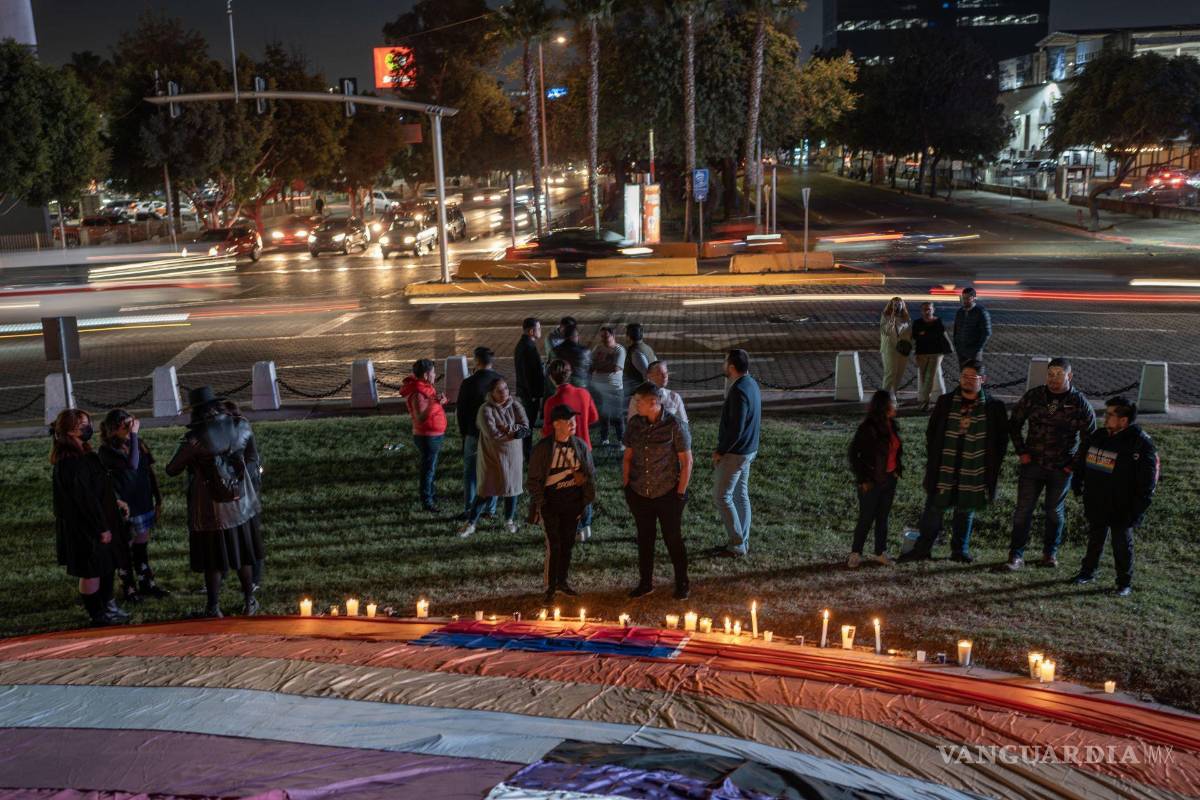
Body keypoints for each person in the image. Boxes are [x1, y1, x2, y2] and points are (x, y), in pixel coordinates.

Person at [166, 386, 264, 617]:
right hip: (241, 503)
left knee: (213, 560)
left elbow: (172, 469)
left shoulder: (194, 438)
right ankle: (249, 601)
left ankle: (213, 606)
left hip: (210, 508)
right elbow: (252, 458)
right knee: (244, 555)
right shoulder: (241, 425)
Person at [898, 361, 1008, 564]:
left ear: (982, 380)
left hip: (973, 468)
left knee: (965, 510)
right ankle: (922, 549)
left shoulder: (994, 408)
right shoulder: (946, 402)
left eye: (971, 377)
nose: (966, 380)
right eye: (963, 375)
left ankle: (960, 550)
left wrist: (989, 466)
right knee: (933, 509)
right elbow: (932, 432)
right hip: (945, 466)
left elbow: (1000, 441)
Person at [1000, 358, 1097, 571]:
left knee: (1054, 511)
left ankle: (1049, 555)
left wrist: (1073, 464)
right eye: (1050, 374)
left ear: (1069, 376)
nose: (1053, 379)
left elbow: (1090, 437)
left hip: (1061, 468)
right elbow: (1014, 423)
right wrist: (1021, 451)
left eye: (1059, 374)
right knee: (1023, 510)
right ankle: (1016, 556)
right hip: (1032, 464)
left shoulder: (1079, 403)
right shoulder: (1034, 396)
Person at [1069, 397, 1158, 597]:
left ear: (1124, 420)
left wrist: (1137, 510)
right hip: (1097, 500)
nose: (1105, 417)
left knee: (1121, 544)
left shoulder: (1141, 444)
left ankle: (1123, 583)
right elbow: (1083, 458)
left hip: (1123, 505)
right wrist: (1078, 480)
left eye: (1110, 414)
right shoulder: (1099, 436)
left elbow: (1148, 483)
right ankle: (1087, 572)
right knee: (1095, 539)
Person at [51, 409, 128, 627]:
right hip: (86, 528)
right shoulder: (70, 463)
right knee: (91, 571)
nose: (88, 428)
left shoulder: (85, 454)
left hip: (100, 520)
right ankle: (97, 614)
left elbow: (98, 488)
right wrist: (101, 528)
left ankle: (108, 607)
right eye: (83, 424)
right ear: (71, 430)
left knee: (106, 566)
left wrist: (115, 503)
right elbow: (84, 500)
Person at [623, 382, 693, 600]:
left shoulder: (675, 426)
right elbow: (628, 455)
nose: (635, 405)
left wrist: (680, 492)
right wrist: (627, 485)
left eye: (639, 401)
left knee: (673, 538)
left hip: (667, 494)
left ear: (653, 402)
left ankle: (682, 583)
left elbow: (687, 461)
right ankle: (645, 583)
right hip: (639, 493)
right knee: (645, 539)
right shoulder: (635, 423)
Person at [527, 405, 596, 603]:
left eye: (574, 420)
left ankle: (562, 582)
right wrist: (542, 503)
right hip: (551, 504)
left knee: (567, 544)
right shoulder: (543, 449)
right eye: (569, 421)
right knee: (554, 545)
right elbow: (533, 480)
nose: (574, 424)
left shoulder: (580, 446)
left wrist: (584, 502)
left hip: (573, 504)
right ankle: (550, 586)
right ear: (556, 424)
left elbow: (590, 474)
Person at [98, 409, 169, 600]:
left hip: (143, 501)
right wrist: (135, 435)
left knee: (141, 546)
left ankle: (147, 582)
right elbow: (132, 464)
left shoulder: (138, 443)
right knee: (123, 549)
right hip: (125, 507)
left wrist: (158, 499)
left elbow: (148, 470)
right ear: (114, 428)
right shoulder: (106, 451)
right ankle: (128, 588)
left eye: (131, 423)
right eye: (125, 424)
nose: (130, 427)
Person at [459, 378, 530, 538]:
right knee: (486, 490)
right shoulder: (485, 410)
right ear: (491, 393)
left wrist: (508, 428)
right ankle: (471, 523)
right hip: (492, 456)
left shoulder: (516, 405)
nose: (504, 392)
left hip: (513, 456)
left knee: (512, 489)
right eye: (499, 390)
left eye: (505, 388)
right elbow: (493, 434)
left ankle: (509, 520)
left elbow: (525, 427)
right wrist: (513, 431)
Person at [712, 349, 761, 559]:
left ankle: (737, 543)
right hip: (749, 449)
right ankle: (743, 541)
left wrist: (721, 450)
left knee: (722, 496)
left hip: (736, 453)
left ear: (731, 367)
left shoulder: (739, 390)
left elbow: (736, 428)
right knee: (741, 495)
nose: (723, 365)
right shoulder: (751, 384)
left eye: (725, 362)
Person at [543, 360, 599, 540]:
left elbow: (547, 430)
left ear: (552, 377)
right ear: (570, 373)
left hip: (564, 451)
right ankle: (587, 524)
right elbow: (593, 417)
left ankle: (577, 526)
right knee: (585, 486)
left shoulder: (551, 402)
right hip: (585, 447)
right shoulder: (583, 393)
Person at [847, 391, 901, 568]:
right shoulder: (868, 428)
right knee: (866, 517)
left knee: (883, 517)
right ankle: (856, 552)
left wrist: (895, 471)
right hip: (871, 481)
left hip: (888, 479)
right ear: (884, 406)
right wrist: (863, 479)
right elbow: (854, 454)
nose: (896, 405)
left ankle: (880, 551)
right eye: (893, 402)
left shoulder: (892, 425)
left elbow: (895, 450)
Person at [222, 399, 265, 591]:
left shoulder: (242, 429)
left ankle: (254, 579)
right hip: (228, 489)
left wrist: (238, 477)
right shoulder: (223, 433)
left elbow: (251, 459)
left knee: (250, 534)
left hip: (245, 489)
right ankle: (222, 575)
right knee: (223, 534)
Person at [456, 347, 502, 519]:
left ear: (476, 361)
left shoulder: (468, 383)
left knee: (471, 473)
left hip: (473, 433)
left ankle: (470, 507)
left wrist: (463, 432)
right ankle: (490, 509)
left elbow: (461, 411)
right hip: (495, 435)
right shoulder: (500, 381)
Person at [400, 359, 449, 513]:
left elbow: (431, 406)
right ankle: (427, 501)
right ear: (427, 375)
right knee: (428, 469)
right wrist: (436, 404)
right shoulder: (418, 393)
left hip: (433, 434)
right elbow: (420, 416)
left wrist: (439, 401)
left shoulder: (425, 388)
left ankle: (431, 496)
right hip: (427, 436)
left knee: (431, 468)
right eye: (433, 372)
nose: (435, 375)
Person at [911, 302, 953, 412]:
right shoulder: (917, 322)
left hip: (936, 353)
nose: (927, 311)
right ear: (921, 311)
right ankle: (925, 400)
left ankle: (925, 402)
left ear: (933, 310)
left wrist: (924, 334)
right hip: (921, 353)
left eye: (929, 309)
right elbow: (915, 336)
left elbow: (942, 334)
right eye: (924, 309)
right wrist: (928, 335)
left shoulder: (938, 321)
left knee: (929, 377)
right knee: (924, 377)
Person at [590, 326, 626, 447]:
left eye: (606, 336)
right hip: (599, 388)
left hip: (614, 388)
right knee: (603, 415)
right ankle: (604, 439)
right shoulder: (598, 348)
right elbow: (591, 364)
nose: (604, 339)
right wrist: (604, 365)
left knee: (617, 415)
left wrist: (599, 367)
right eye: (602, 336)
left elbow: (615, 367)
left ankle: (621, 440)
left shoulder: (619, 350)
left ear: (613, 336)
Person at [514, 317, 545, 460]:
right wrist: (533, 393)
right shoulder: (528, 347)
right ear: (532, 331)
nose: (540, 331)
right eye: (539, 328)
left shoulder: (523, 344)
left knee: (528, 422)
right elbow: (528, 373)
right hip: (529, 393)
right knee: (528, 423)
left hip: (526, 391)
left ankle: (526, 451)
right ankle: (526, 453)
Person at [626, 361, 688, 426]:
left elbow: (684, 423)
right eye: (659, 373)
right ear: (649, 376)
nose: (665, 376)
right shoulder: (638, 398)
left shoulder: (674, 397)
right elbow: (632, 424)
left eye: (666, 373)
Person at [879, 297, 913, 402]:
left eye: (899, 304)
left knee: (899, 373)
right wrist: (892, 318)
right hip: (890, 348)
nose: (897, 306)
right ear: (891, 305)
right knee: (891, 372)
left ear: (903, 305)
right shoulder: (885, 316)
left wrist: (910, 345)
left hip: (902, 349)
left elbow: (909, 333)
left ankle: (893, 395)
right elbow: (887, 332)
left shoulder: (906, 318)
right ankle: (884, 398)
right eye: (895, 304)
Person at [953, 288, 992, 367]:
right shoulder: (960, 312)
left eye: (967, 298)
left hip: (974, 352)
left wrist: (976, 349)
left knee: (974, 374)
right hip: (961, 350)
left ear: (974, 298)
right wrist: (957, 345)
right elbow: (956, 329)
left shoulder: (981, 312)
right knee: (964, 374)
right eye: (963, 298)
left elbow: (987, 333)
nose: (964, 300)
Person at [623, 323, 657, 403]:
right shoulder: (647, 347)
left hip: (636, 390)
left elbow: (646, 374)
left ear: (628, 336)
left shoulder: (636, 352)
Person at [552, 322, 592, 389]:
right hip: (582, 385)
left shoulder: (555, 350)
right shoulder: (585, 351)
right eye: (577, 336)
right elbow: (590, 369)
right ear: (574, 337)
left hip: (561, 385)